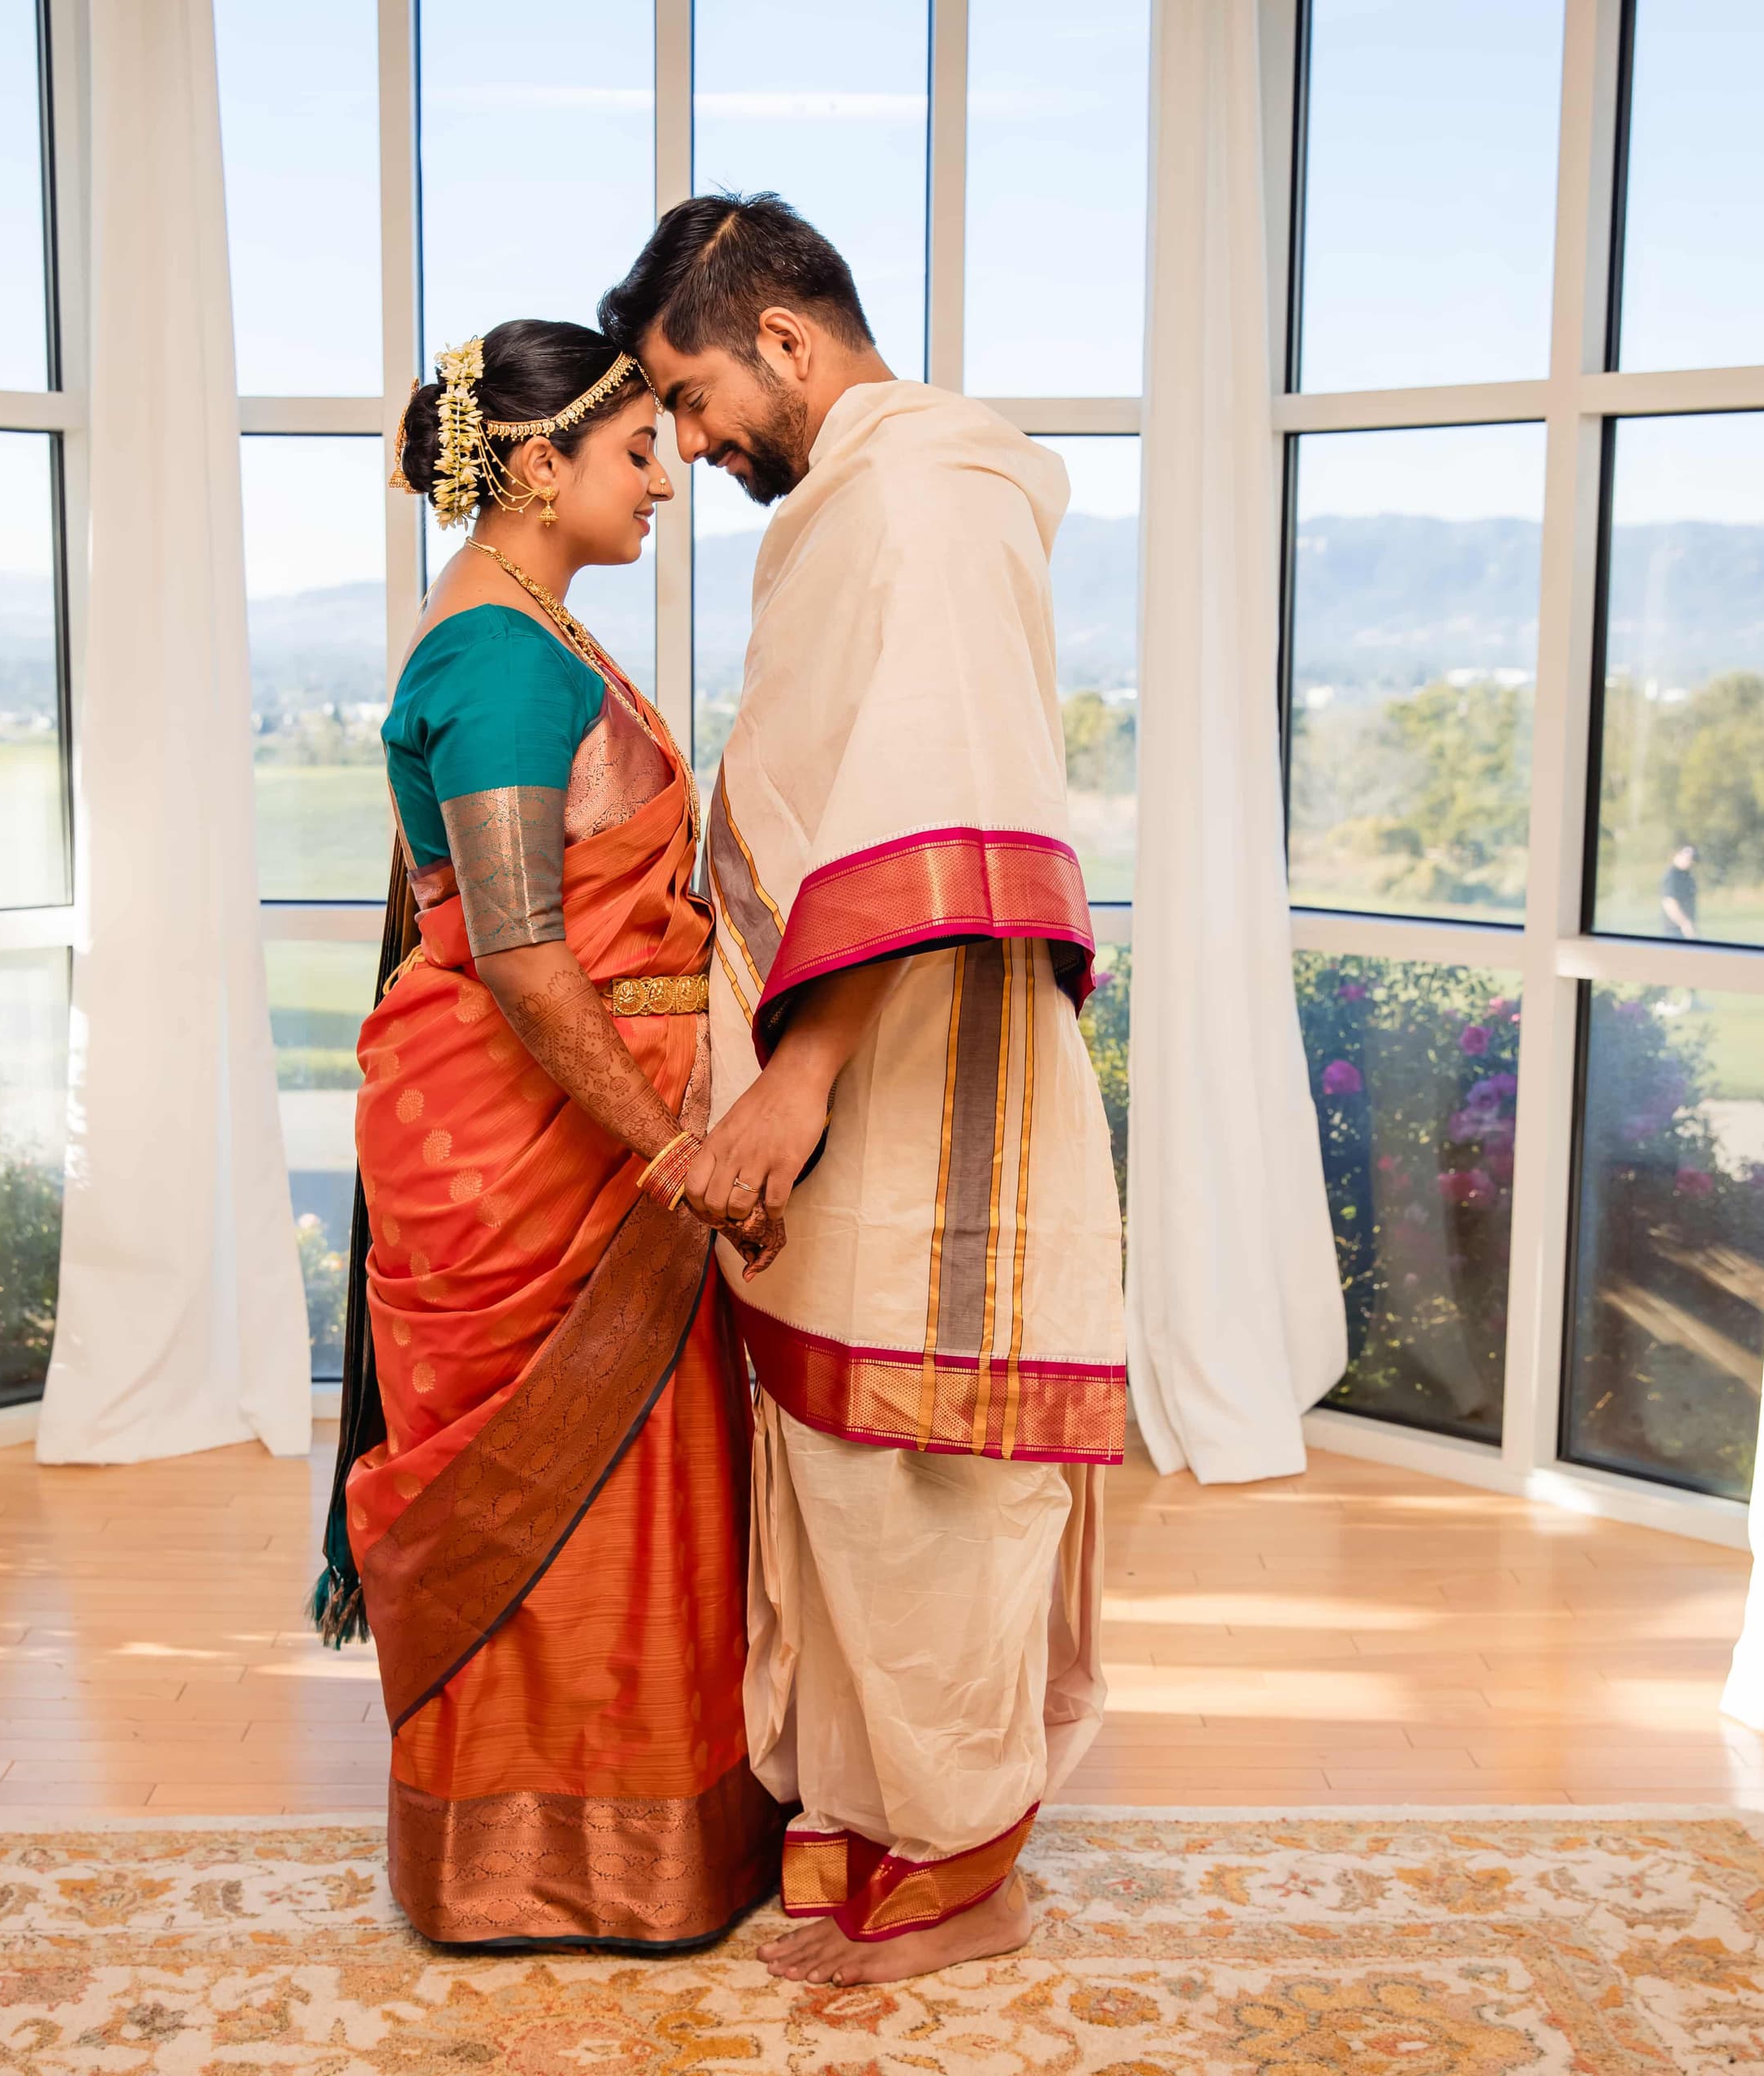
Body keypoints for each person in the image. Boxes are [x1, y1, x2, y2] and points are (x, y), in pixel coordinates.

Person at [599, 196, 1125, 1988]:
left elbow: (937, 795)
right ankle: (862, 1812)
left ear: (789, 343)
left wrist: (795, 1080)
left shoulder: (924, 496)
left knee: (927, 1467)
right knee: (834, 1450)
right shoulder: (866, 505)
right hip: (847, 1066)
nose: (684, 445)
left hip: (909, 1074)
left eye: (688, 395)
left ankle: (967, 1864)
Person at [310, 319, 787, 1949]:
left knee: (644, 1493)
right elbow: (519, 948)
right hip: (540, 1148)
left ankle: (633, 1841)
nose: (664, 479)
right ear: (538, 465)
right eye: (637, 450)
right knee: (568, 1493)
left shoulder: (530, 626)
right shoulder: (500, 654)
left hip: (580, 1131)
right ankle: (544, 1860)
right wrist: (673, 1154)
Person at [1662, 842, 1702, 937]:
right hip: (1675, 931)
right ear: (1678, 855)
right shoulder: (1673, 876)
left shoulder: (1686, 875)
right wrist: (1685, 924)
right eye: (1687, 856)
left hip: (1683, 930)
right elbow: (1669, 903)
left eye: (1692, 858)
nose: (1690, 860)